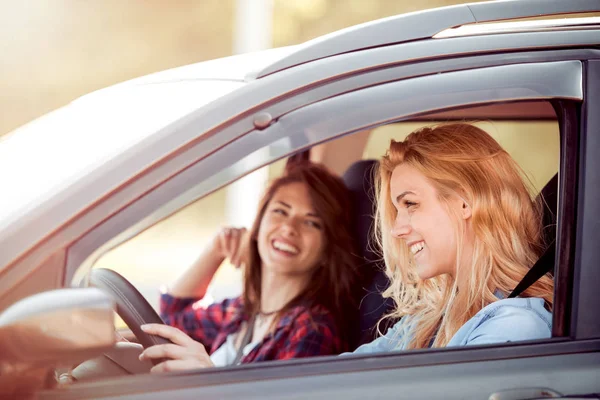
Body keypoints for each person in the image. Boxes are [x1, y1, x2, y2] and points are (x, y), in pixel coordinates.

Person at [353, 123, 554, 354]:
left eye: (410, 204)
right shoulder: (426, 321)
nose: (396, 230)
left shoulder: (514, 327)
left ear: (465, 202)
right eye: (398, 210)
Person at [139, 162, 358, 372]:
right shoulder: (246, 309)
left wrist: (211, 379)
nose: (289, 228)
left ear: (329, 246)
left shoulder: (313, 330)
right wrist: (215, 250)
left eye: (311, 222)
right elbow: (172, 320)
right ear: (258, 224)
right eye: (280, 211)